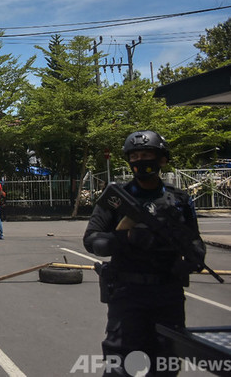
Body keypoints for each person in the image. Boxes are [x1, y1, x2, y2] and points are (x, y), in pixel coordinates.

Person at [83, 130, 206, 376]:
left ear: (161, 159)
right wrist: (126, 238)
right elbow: (92, 240)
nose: (141, 161)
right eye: (135, 156)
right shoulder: (117, 198)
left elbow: (194, 239)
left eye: (147, 154)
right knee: (121, 364)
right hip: (128, 294)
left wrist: (194, 258)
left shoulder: (178, 200)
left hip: (167, 293)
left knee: (166, 363)